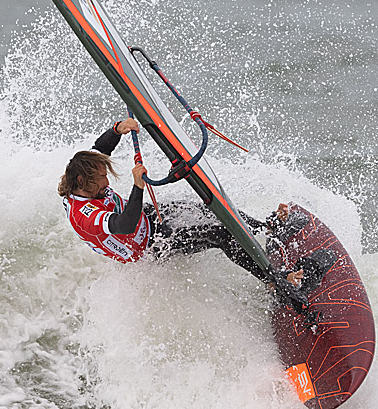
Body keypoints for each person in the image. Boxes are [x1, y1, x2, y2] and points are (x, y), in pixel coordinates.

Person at [58, 118, 305, 293]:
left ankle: (266, 227)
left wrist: (117, 129)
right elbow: (124, 225)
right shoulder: (83, 215)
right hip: (148, 247)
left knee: (209, 205)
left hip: (147, 217)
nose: (106, 180)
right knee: (219, 234)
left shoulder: (83, 177)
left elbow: (99, 150)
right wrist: (137, 186)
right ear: (82, 182)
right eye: (102, 177)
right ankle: (274, 280)